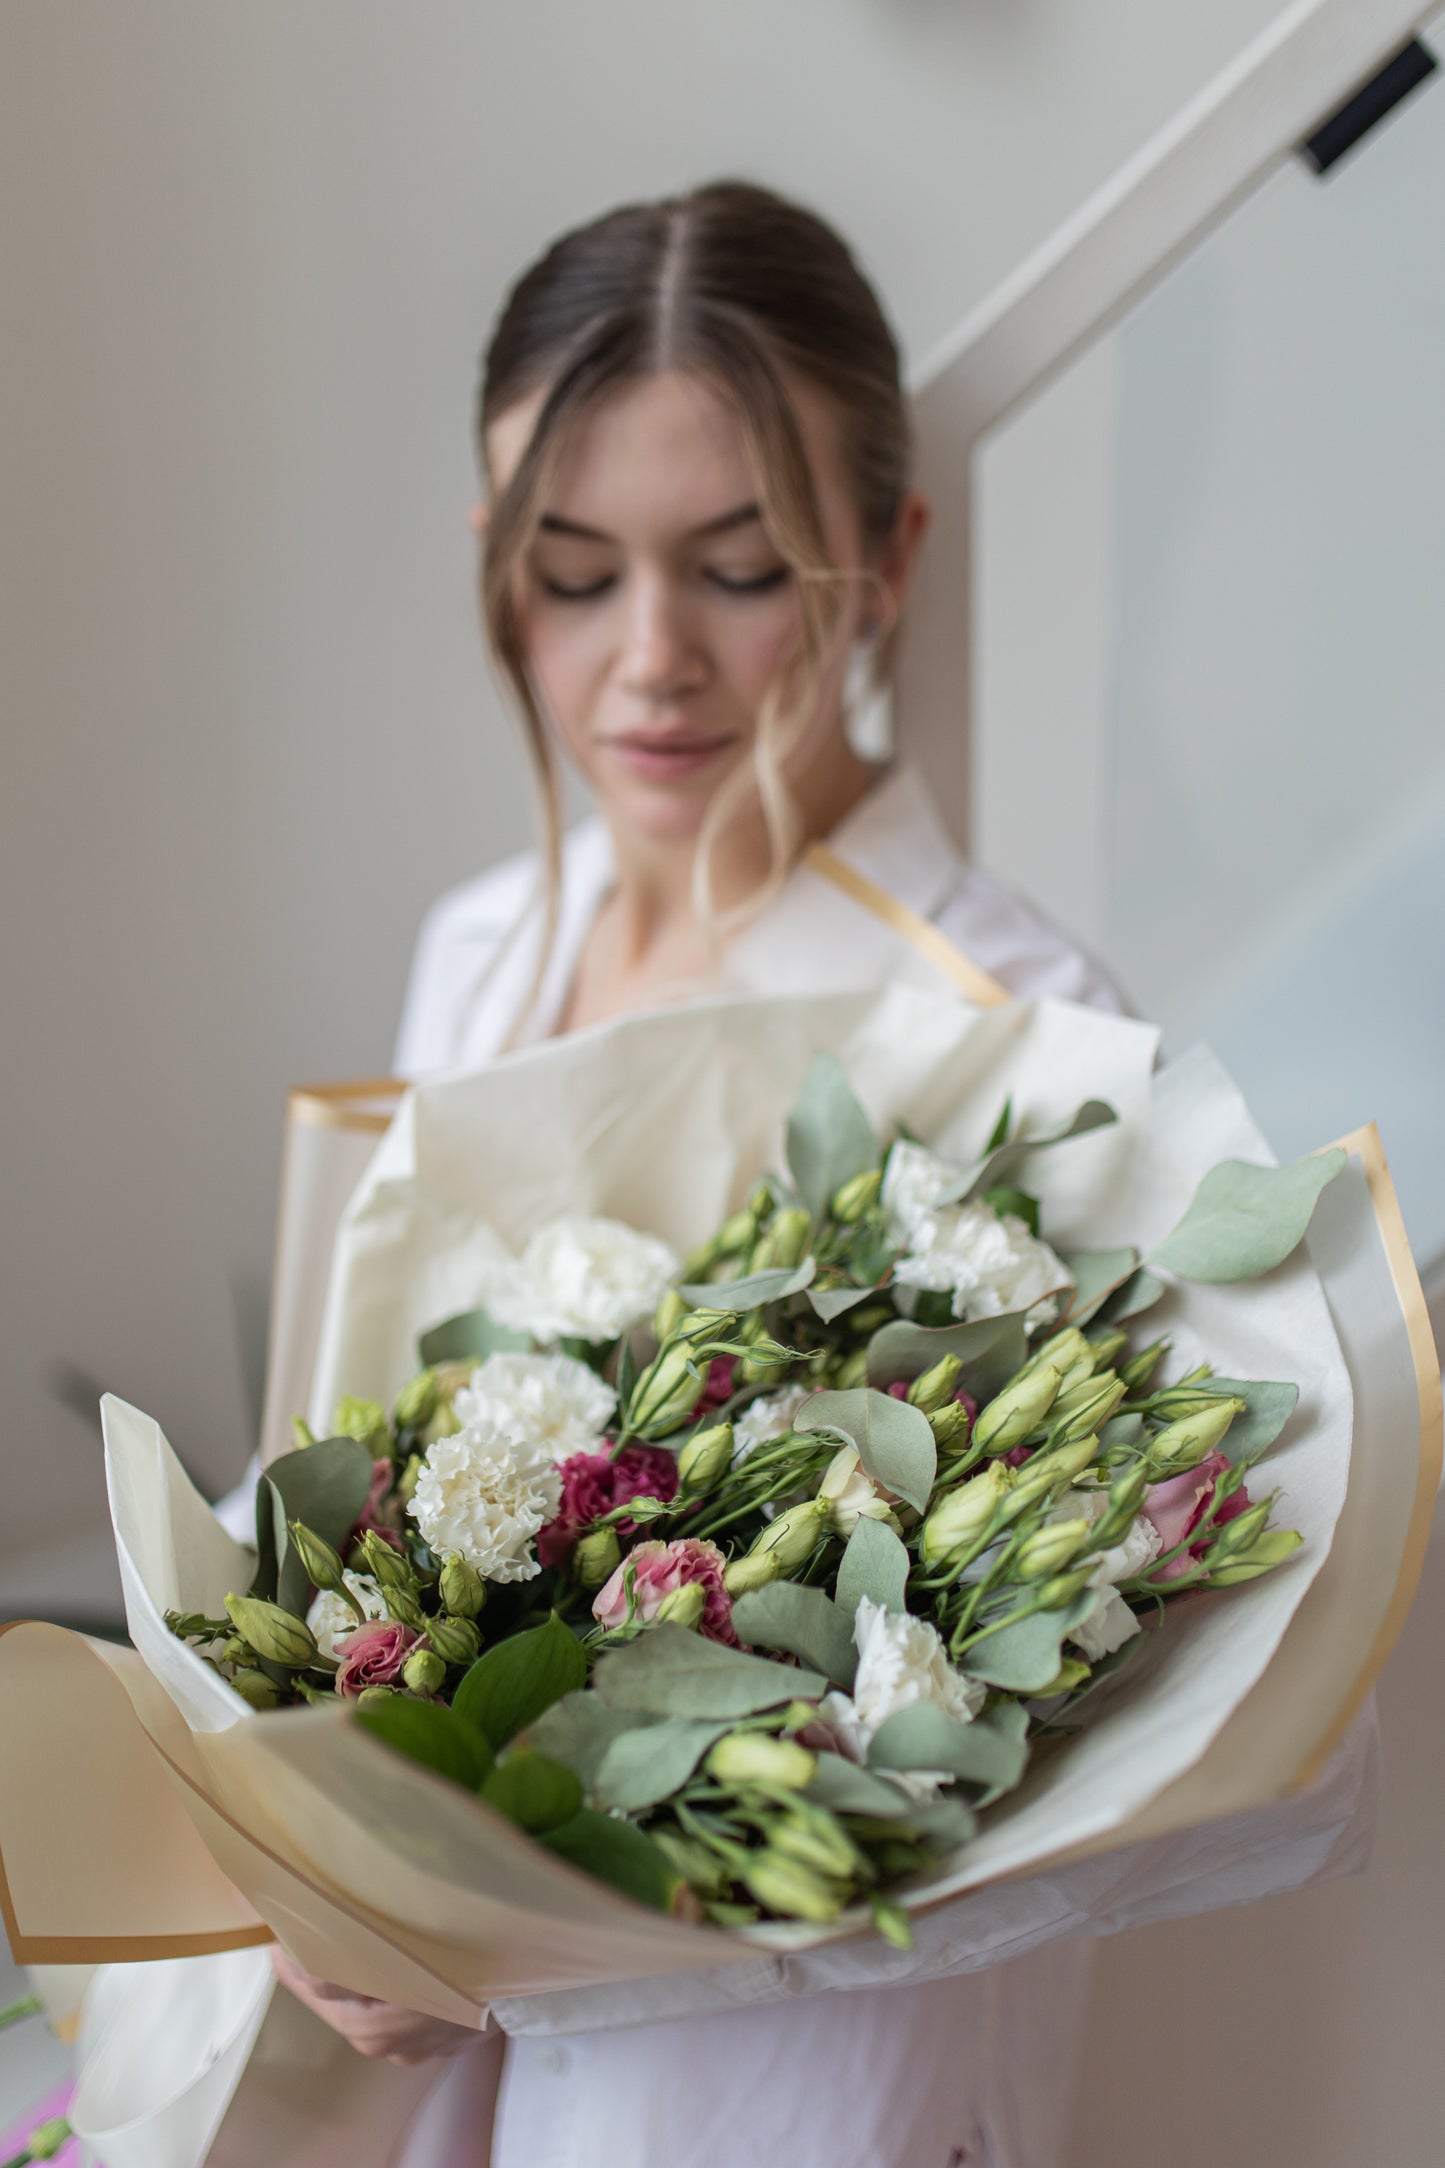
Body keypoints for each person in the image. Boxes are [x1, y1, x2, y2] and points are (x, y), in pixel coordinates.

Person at [268, 180, 1378, 2167]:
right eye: (575, 573)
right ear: (491, 559)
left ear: (886, 556)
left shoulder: (1030, 1044)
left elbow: (1239, 1763)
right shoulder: (474, 949)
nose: (651, 666)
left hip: (814, 2102)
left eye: (742, 566)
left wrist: (554, 1915)